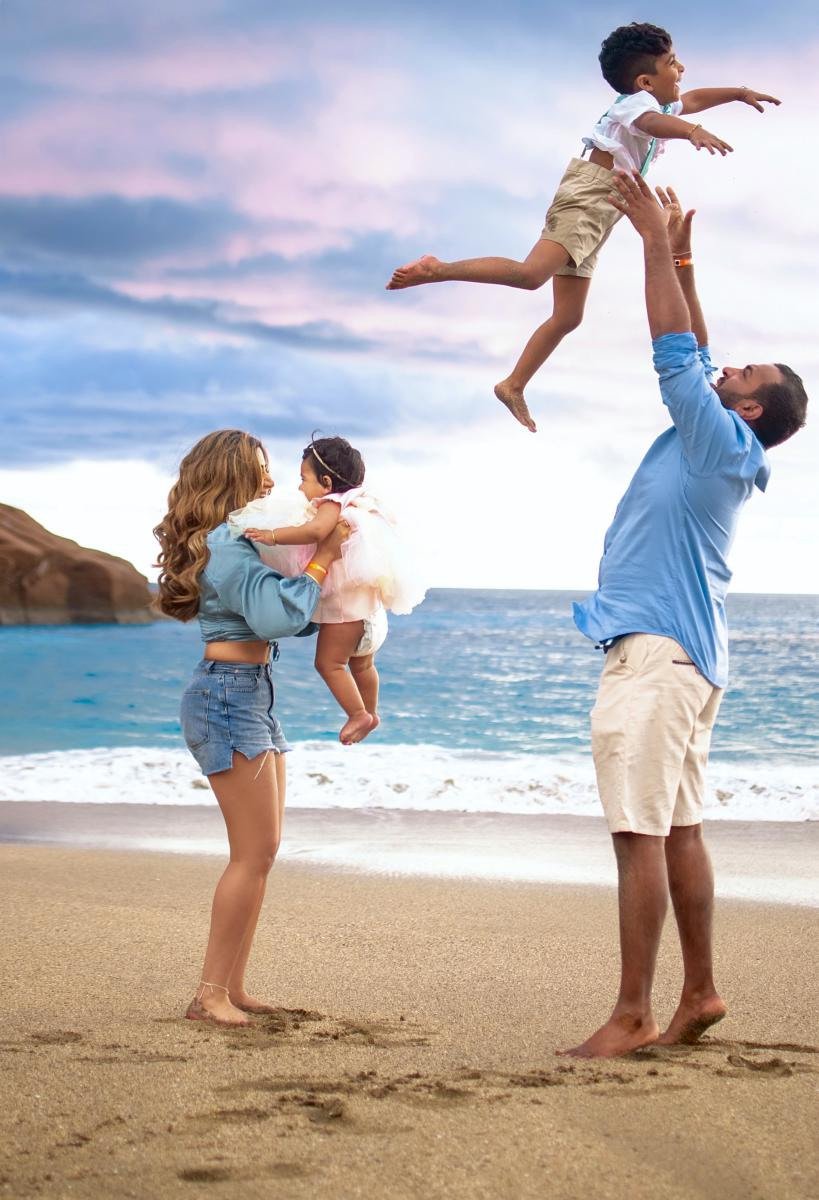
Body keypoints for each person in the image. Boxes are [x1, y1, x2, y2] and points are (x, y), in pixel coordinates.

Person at [560, 173, 807, 1059]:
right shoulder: (731, 436)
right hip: (690, 655)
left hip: (659, 655)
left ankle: (632, 1011)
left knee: (638, 835)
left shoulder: (714, 434)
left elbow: (672, 349)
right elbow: (697, 350)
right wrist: (687, 256)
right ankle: (696, 991)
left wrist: (650, 242)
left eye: (741, 374)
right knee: (679, 828)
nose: (725, 365)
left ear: (747, 408)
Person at [386, 22, 779, 434]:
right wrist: (692, 133)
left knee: (569, 315)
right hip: (589, 193)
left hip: (605, 206)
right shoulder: (633, 104)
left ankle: (513, 383)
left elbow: (693, 99)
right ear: (645, 80)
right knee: (531, 274)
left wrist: (738, 93)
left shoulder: (660, 104)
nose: (681, 69)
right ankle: (438, 268)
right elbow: (652, 124)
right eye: (672, 63)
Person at [153, 430, 348, 1028]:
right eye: (260, 470)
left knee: (261, 853)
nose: (269, 482)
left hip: (246, 694)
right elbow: (275, 615)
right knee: (253, 853)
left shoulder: (235, 543)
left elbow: (278, 615)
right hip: (228, 697)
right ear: (233, 475)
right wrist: (322, 560)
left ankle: (232, 988)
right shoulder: (232, 546)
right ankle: (208, 995)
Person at [229, 435, 426, 745]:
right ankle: (371, 713)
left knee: (328, 664)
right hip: (371, 617)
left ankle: (358, 714)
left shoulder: (331, 504)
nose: (299, 488)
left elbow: (316, 531)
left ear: (325, 482)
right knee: (363, 665)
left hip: (345, 615)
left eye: (303, 479)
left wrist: (273, 535)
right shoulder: (364, 504)